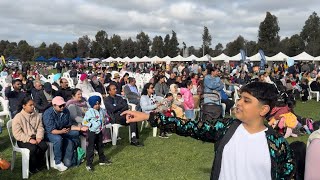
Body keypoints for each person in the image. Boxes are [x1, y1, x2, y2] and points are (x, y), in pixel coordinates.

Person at [121, 82, 295, 180]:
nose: (239, 103)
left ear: (263, 110)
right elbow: (189, 126)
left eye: (247, 100)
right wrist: (148, 117)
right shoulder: (225, 128)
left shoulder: (278, 145)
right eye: (240, 98)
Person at [42, 96, 88, 171]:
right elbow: (51, 130)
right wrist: (61, 132)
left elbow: (69, 126)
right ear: (54, 105)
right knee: (58, 139)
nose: (62, 107)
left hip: (63, 130)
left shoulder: (66, 111)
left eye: (63, 105)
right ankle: (57, 162)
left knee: (76, 133)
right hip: (50, 133)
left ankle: (75, 153)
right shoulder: (48, 113)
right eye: (60, 106)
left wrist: (80, 128)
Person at [12, 97, 48, 174]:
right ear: (24, 106)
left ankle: (39, 164)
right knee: (33, 148)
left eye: (33, 105)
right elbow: (17, 134)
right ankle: (31, 167)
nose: (33, 107)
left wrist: (39, 137)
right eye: (30, 105)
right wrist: (29, 139)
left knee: (44, 146)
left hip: (35, 137)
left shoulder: (36, 115)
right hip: (23, 139)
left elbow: (40, 127)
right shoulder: (18, 117)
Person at [83, 96, 112, 171]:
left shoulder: (102, 110)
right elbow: (84, 121)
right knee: (91, 148)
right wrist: (91, 125)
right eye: (95, 104)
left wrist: (106, 121)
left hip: (99, 131)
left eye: (99, 104)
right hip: (92, 132)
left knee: (100, 146)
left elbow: (106, 116)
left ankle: (102, 159)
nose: (97, 105)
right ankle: (89, 163)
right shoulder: (89, 112)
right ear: (92, 105)